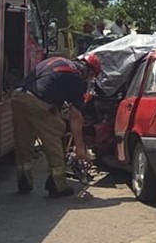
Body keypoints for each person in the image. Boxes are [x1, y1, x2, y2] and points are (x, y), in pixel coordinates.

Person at [11, 54, 100, 197]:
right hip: (38, 102)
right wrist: (80, 149)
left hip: (18, 97)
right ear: (89, 71)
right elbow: (76, 116)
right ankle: (57, 185)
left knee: (23, 143)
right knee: (54, 139)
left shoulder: (58, 60)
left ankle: (24, 180)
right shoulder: (77, 78)